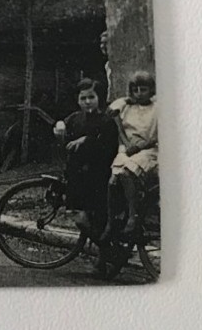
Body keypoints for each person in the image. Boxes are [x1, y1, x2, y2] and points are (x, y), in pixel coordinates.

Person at [52, 78, 117, 236]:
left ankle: (105, 251)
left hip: (97, 176)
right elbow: (62, 129)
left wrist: (87, 140)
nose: (87, 102)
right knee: (79, 217)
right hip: (77, 174)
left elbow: (109, 146)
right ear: (78, 100)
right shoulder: (75, 118)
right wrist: (59, 127)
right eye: (83, 98)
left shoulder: (106, 120)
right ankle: (99, 241)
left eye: (91, 97)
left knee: (99, 217)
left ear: (98, 98)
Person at [107, 71, 158, 239]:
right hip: (127, 148)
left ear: (151, 90)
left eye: (143, 89)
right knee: (113, 181)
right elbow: (113, 114)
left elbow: (156, 136)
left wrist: (142, 146)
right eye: (135, 90)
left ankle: (133, 215)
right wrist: (127, 146)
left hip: (148, 149)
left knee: (127, 173)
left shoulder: (157, 107)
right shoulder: (126, 106)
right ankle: (111, 220)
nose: (138, 93)